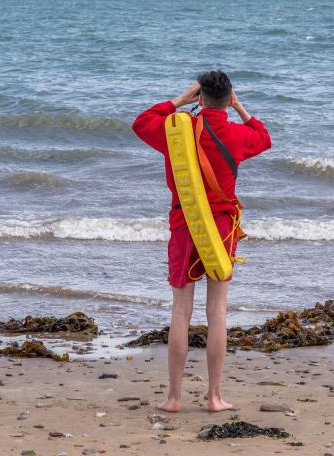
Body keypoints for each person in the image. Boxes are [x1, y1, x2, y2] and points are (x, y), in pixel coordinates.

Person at [132, 70, 271, 413]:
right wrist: (239, 108)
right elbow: (264, 137)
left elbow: (141, 122)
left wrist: (179, 100)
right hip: (221, 227)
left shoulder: (175, 131)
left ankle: (174, 398)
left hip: (184, 223)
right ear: (228, 98)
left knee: (181, 311)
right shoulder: (236, 134)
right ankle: (214, 397)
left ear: (200, 96)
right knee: (217, 313)